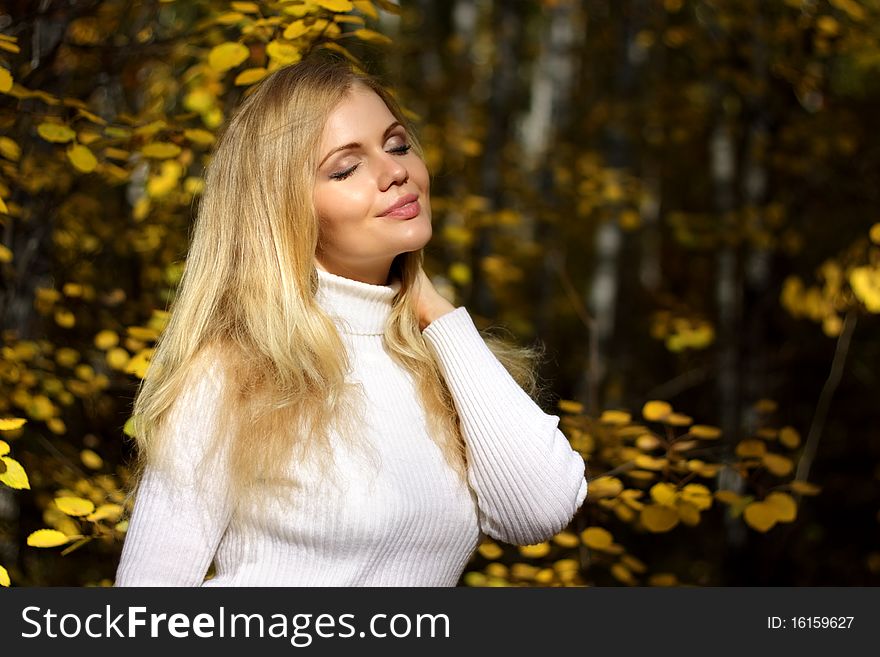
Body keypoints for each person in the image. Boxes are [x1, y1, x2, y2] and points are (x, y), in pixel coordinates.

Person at [113, 54, 588, 587]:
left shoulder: (438, 359)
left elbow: (539, 510)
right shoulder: (233, 376)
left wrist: (436, 313)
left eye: (398, 144)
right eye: (346, 167)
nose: (395, 172)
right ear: (284, 209)